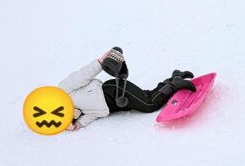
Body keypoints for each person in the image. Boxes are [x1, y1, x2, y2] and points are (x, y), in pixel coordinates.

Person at [58, 47, 196, 131]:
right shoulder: (74, 112)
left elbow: (84, 74)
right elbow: (93, 114)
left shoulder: (63, 90)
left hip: (113, 90)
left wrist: (101, 61)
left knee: (149, 105)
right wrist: (78, 125)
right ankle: (174, 77)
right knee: (149, 95)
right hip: (116, 103)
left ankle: (175, 84)